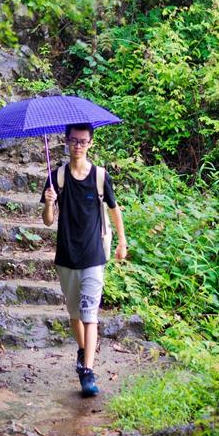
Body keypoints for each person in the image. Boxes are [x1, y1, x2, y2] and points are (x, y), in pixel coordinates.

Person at [39, 122, 127, 397]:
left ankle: (87, 371)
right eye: (74, 140)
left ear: (90, 143)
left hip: (93, 256)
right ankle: (82, 351)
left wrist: (122, 241)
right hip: (66, 255)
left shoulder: (100, 176)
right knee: (75, 314)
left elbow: (114, 209)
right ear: (66, 141)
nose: (78, 146)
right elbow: (47, 221)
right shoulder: (56, 177)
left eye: (83, 141)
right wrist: (49, 202)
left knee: (90, 314)